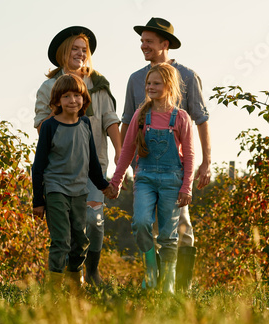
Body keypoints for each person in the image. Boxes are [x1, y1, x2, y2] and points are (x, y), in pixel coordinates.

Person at [120, 17, 210, 292]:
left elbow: (201, 119)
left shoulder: (187, 76)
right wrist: (122, 162)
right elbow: (127, 121)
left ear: (165, 44)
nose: (143, 46)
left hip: (176, 169)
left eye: (149, 42)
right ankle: (154, 278)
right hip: (145, 166)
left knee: (180, 226)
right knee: (143, 222)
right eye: (142, 41)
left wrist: (206, 162)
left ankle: (179, 285)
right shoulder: (136, 79)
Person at [35, 26, 121, 286]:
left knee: (93, 222)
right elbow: (42, 125)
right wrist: (65, 104)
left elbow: (110, 120)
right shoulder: (48, 86)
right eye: (75, 48)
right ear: (63, 52)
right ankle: (71, 281)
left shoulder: (98, 83)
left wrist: (120, 154)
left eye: (84, 50)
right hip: (60, 171)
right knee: (66, 230)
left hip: (93, 168)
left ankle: (91, 271)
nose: (81, 54)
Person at [109, 63, 194, 294]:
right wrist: (116, 181)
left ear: (169, 86)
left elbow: (189, 155)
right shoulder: (141, 115)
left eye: (156, 83)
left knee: (168, 234)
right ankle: (150, 268)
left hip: (172, 180)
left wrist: (187, 187)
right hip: (145, 177)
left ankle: (167, 281)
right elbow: (127, 150)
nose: (150, 87)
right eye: (148, 83)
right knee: (141, 223)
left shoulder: (181, 118)